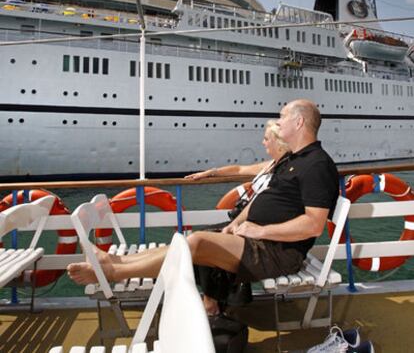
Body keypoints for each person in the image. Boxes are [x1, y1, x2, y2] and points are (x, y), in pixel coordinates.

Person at [67, 99, 339, 316]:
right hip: (256, 240)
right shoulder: (292, 159)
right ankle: (114, 260)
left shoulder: (316, 165)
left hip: (277, 252)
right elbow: (262, 200)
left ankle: (114, 272)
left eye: (283, 117)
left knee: (197, 243)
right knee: (187, 241)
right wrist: (237, 223)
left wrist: (260, 231)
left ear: (299, 122)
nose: (278, 123)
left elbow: (313, 223)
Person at [186, 120, 291, 315]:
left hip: (255, 225)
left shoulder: (285, 170)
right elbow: (239, 170)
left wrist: (239, 224)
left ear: (278, 142)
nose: (263, 142)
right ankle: (218, 299)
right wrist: (211, 173)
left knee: (208, 239)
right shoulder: (270, 165)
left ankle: (211, 304)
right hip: (243, 219)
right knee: (202, 236)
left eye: (266, 138)